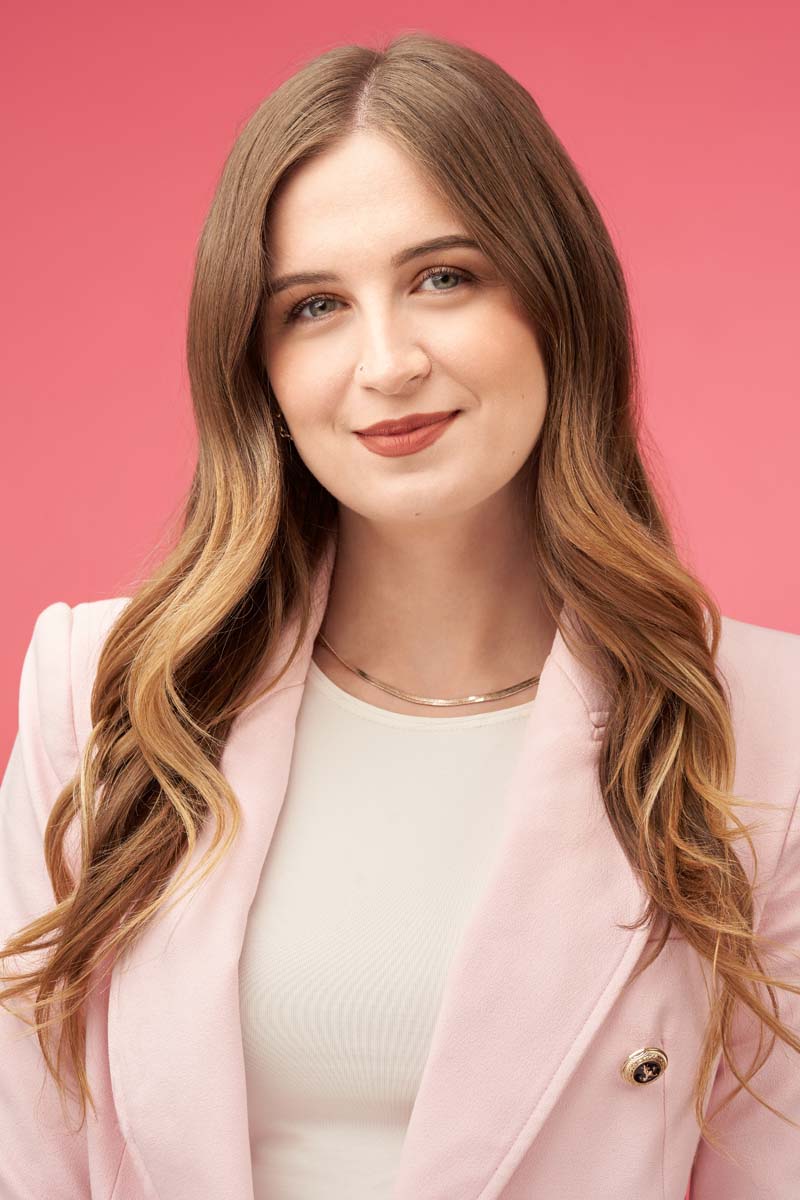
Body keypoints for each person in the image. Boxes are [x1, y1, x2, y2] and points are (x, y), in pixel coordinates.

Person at [1, 30, 798, 1200]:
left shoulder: (759, 728)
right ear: (255, 367)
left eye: (443, 277)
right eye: (314, 305)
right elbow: (27, 1152)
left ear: (557, 301)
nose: (385, 363)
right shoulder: (109, 694)